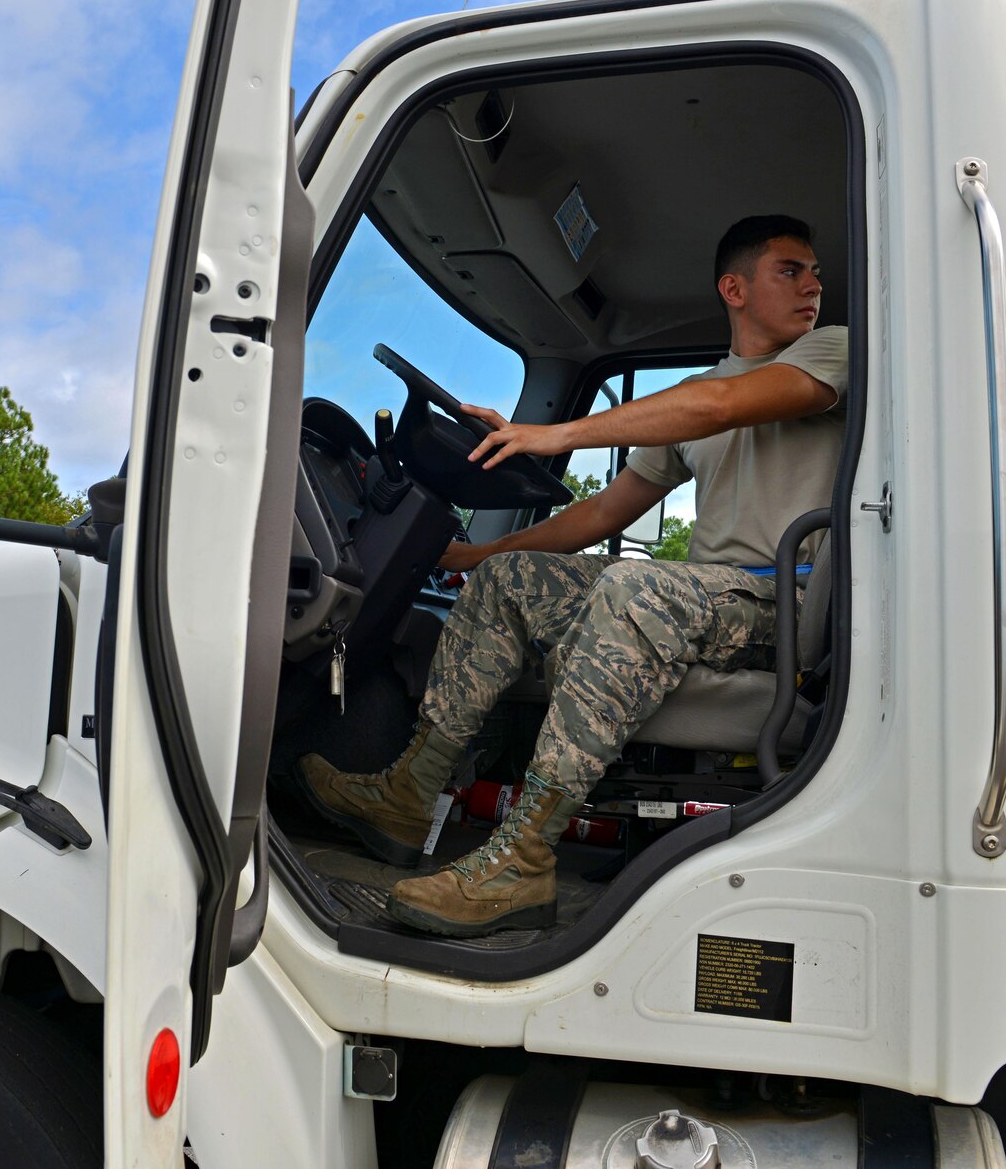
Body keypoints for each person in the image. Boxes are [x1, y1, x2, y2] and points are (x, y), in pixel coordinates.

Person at [297, 214, 848, 937]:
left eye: (814, 271)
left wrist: (555, 434)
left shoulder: (831, 350)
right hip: (702, 599)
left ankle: (523, 860)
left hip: (782, 602)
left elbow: (721, 405)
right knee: (514, 579)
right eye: (791, 270)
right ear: (734, 288)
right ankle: (409, 790)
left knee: (633, 587)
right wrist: (471, 559)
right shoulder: (693, 395)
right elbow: (596, 516)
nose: (814, 284)